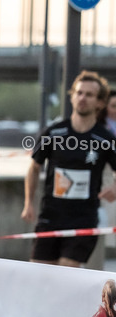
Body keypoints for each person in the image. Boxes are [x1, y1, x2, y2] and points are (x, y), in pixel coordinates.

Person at [22, 70, 116, 267]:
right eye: (79, 93)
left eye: (89, 95)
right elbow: (34, 166)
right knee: (40, 275)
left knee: (66, 271)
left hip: (83, 220)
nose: (83, 98)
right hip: (50, 217)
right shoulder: (54, 132)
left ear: (99, 103)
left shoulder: (105, 138)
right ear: (72, 96)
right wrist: (28, 202)